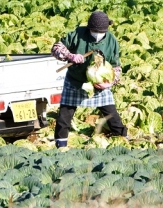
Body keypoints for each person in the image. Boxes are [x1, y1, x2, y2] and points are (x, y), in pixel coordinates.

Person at [50, 10, 127, 148]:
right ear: (89, 28)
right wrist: (70, 56)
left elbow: (116, 67)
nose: (97, 34)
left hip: (99, 85)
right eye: (94, 31)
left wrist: (110, 82)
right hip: (75, 81)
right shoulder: (78, 34)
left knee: (111, 114)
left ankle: (123, 140)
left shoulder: (112, 41)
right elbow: (56, 48)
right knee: (64, 116)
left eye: (101, 31)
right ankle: (60, 146)